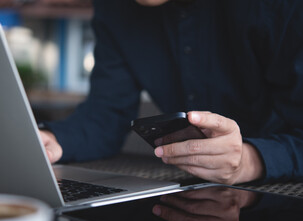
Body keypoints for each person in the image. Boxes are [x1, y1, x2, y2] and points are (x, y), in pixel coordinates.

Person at [39, 0, 303, 185]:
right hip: (179, 194)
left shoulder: (281, 6)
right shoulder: (114, 7)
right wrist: (54, 140)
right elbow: (106, 115)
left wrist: (250, 161)